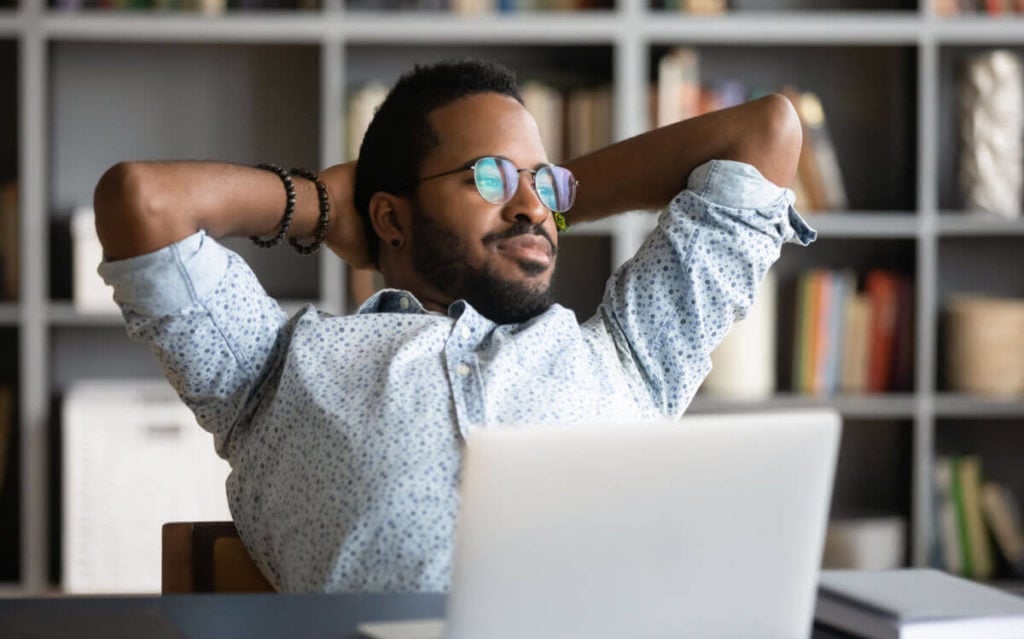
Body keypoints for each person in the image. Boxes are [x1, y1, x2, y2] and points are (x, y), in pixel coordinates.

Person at [94, 59, 814, 593]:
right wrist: (319, 202)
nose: (535, 208)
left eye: (546, 185)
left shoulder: (632, 353)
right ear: (391, 216)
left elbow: (764, 131)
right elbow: (143, 201)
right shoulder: (274, 370)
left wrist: (531, 200)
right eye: (490, 177)